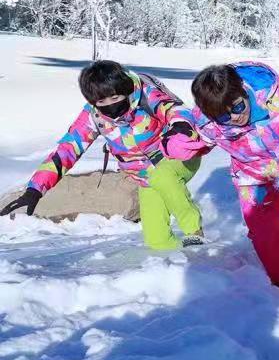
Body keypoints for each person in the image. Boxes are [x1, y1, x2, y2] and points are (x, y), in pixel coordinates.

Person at [166, 62, 279, 292]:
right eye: (224, 116)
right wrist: (178, 143)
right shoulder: (211, 122)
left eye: (237, 107)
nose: (235, 117)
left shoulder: (273, 91)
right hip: (252, 177)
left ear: (243, 91)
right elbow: (187, 130)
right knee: (265, 235)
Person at [0, 60, 204, 249]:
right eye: (101, 101)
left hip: (179, 155)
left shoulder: (146, 94)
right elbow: (68, 149)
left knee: (162, 176)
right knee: (157, 241)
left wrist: (181, 128)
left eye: (115, 98)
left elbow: (174, 110)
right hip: (144, 176)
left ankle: (194, 231)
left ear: (124, 90)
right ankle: (191, 260)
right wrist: (34, 190)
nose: (110, 106)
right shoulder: (93, 115)